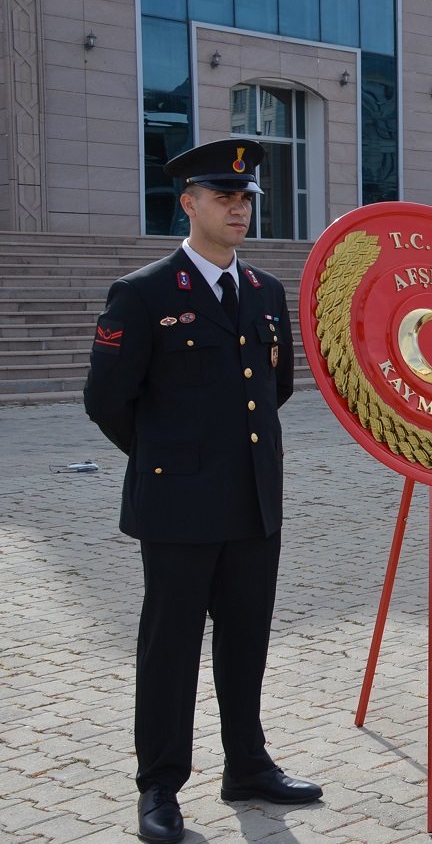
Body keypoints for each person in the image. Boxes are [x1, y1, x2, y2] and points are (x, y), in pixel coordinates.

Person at [83, 139, 321, 844]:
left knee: (246, 640)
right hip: (178, 505)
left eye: (246, 197)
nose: (239, 208)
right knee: (171, 646)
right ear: (189, 204)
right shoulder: (145, 292)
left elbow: (273, 389)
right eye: (224, 197)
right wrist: (168, 458)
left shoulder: (265, 292)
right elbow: (106, 400)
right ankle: (159, 785)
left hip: (253, 501)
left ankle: (246, 762)